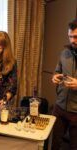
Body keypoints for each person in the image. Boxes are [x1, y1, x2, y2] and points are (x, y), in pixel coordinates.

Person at [52, 19, 77, 150]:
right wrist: (55, 77)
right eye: (70, 36)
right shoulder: (64, 53)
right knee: (54, 144)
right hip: (59, 108)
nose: (72, 40)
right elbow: (57, 71)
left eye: (76, 37)